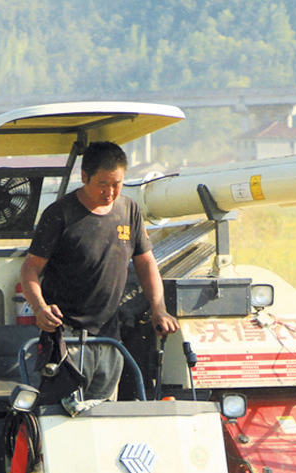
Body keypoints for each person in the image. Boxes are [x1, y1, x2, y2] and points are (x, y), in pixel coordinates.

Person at [18, 141, 179, 401]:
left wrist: (158, 308)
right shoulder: (60, 214)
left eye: (117, 184)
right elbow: (30, 269)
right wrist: (39, 308)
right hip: (66, 336)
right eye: (103, 184)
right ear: (84, 176)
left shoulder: (129, 211)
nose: (110, 192)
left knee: (105, 413)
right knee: (64, 412)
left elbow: (146, 263)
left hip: (109, 337)